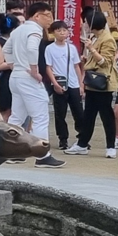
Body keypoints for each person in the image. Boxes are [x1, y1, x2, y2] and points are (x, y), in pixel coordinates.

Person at [7, 0, 61, 166]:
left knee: (17, 116)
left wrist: (13, 65)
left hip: (16, 76)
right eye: (48, 15)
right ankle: (42, 155)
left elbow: (6, 50)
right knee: (40, 117)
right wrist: (34, 70)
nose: (50, 19)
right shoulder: (35, 30)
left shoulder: (18, 30)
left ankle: (12, 152)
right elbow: (32, 49)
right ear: (37, 16)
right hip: (27, 77)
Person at [79, 7, 118, 157]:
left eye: (86, 21)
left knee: (106, 115)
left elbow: (105, 62)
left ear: (93, 23)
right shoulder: (94, 37)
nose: (84, 24)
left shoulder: (107, 39)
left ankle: (111, 147)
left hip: (103, 82)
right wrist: (87, 57)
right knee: (88, 114)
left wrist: (91, 49)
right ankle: (82, 144)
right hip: (92, 81)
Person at [42, 19, 83, 152]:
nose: (62, 33)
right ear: (53, 33)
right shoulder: (49, 49)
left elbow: (76, 66)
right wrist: (54, 83)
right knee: (60, 113)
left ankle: (82, 138)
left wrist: (81, 84)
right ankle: (63, 139)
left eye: (64, 30)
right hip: (59, 83)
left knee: (79, 112)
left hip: (73, 84)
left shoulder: (72, 48)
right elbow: (48, 67)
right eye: (58, 30)